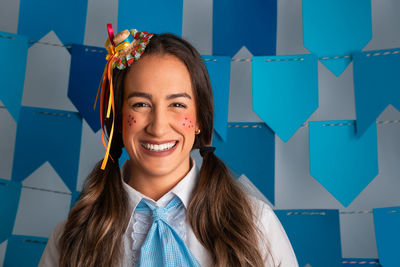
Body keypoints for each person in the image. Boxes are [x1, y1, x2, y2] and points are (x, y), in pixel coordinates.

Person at [39, 26, 298, 267]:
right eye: (140, 104)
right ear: (118, 119)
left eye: (177, 105)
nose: (158, 127)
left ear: (199, 119)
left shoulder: (256, 225)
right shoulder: (70, 238)